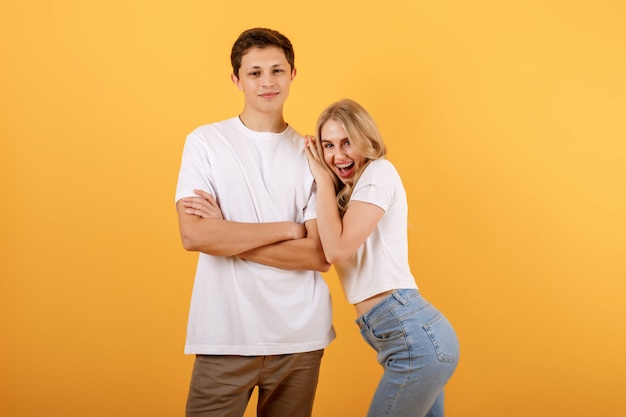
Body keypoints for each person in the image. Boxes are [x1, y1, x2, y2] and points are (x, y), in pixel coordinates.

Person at [174, 28, 335, 417]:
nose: (267, 82)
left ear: (293, 74)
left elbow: (318, 254)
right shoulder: (205, 142)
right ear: (237, 79)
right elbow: (195, 234)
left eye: (277, 70)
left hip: (299, 338)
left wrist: (227, 234)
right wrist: (288, 228)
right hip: (225, 335)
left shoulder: (311, 153)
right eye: (255, 72)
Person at [303, 99, 460, 417]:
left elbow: (335, 250)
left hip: (413, 335)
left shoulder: (379, 172)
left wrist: (320, 176)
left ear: (365, 139)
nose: (338, 155)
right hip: (409, 335)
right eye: (328, 145)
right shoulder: (345, 194)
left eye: (347, 142)